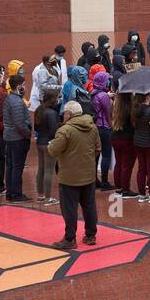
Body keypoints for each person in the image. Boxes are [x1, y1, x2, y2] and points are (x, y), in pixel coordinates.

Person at [47, 101, 100, 249]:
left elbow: (53, 150)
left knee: (69, 209)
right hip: (88, 175)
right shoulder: (92, 127)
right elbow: (97, 149)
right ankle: (90, 235)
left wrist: (51, 145)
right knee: (89, 205)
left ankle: (70, 239)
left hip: (69, 177)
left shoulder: (65, 130)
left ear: (69, 114)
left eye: (64, 113)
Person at [0, 74, 30, 202]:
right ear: (19, 87)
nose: (25, 87)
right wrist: (28, 134)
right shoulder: (17, 102)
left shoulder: (9, 99)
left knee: (11, 166)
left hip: (9, 137)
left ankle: (10, 192)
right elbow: (19, 124)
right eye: (23, 85)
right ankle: (16, 194)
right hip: (17, 138)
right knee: (17, 167)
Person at [33, 85, 61, 206]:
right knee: (49, 170)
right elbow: (54, 130)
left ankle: (40, 195)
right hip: (49, 143)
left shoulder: (39, 109)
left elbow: (37, 127)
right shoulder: (52, 113)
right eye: (58, 97)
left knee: (41, 168)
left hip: (40, 142)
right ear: (53, 99)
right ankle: (48, 198)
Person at [90, 71, 114, 190]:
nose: (108, 82)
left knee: (96, 155)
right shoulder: (103, 95)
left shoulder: (93, 93)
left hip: (96, 127)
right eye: (107, 80)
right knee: (106, 154)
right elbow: (108, 113)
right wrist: (112, 127)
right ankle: (104, 181)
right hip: (104, 128)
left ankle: (94, 180)